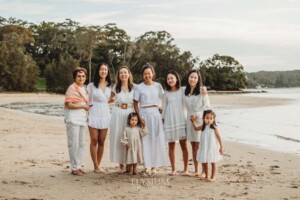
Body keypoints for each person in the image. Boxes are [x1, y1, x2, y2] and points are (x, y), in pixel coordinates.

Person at [133, 63, 168, 176]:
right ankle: (147, 166)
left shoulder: (158, 86)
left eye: (149, 73)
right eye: (145, 74)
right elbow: (135, 104)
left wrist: (162, 110)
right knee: (146, 141)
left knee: (156, 140)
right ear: (142, 75)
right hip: (144, 115)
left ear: (152, 74)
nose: (147, 75)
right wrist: (139, 118)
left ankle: (154, 166)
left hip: (156, 115)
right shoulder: (139, 87)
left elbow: (164, 100)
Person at [183, 69, 211, 177]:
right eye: (191, 77)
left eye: (195, 77)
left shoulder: (202, 91)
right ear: (188, 78)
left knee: (200, 146)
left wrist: (198, 115)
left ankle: (204, 171)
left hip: (199, 120)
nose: (193, 79)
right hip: (189, 121)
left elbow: (207, 107)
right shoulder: (185, 91)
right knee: (193, 146)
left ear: (198, 79)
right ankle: (196, 170)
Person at [162, 70, 189, 176]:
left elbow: (194, 91)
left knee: (184, 145)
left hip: (181, 119)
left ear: (177, 79)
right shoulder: (165, 94)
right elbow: (164, 109)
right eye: (168, 79)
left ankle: (186, 169)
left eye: (172, 78)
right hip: (170, 120)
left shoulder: (183, 90)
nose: (170, 80)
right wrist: (163, 121)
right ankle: (173, 169)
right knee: (171, 145)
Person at [64, 67, 90, 176]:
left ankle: (79, 165)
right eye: (79, 76)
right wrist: (82, 106)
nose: (81, 78)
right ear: (75, 77)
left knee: (82, 143)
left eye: (83, 76)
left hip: (83, 119)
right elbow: (69, 104)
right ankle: (74, 168)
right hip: (73, 118)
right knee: (73, 144)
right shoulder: (71, 88)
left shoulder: (85, 89)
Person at [87, 63, 112, 173]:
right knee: (94, 139)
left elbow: (114, 97)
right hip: (94, 112)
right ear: (98, 71)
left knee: (102, 141)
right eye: (101, 69)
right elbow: (86, 99)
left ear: (107, 72)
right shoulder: (91, 85)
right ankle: (96, 165)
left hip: (105, 113)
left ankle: (98, 165)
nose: (103, 71)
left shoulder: (110, 85)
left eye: (105, 70)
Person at [110, 66, 135, 174]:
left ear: (129, 74)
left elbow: (139, 102)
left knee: (129, 138)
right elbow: (108, 100)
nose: (123, 74)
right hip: (117, 112)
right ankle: (121, 164)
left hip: (130, 113)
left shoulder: (134, 87)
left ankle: (129, 164)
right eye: (121, 73)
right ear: (118, 76)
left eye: (125, 72)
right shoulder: (115, 87)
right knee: (119, 137)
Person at [191, 110, 224, 181]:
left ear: (213, 119)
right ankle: (206, 175)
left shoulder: (214, 128)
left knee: (213, 162)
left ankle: (213, 177)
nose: (209, 120)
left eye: (211, 118)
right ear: (203, 118)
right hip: (204, 147)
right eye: (207, 118)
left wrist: (221, 147)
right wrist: (192, 122)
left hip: (211, 148)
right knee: (204, 162)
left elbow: (219, 138)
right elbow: (196, 129)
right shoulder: (203, 127)